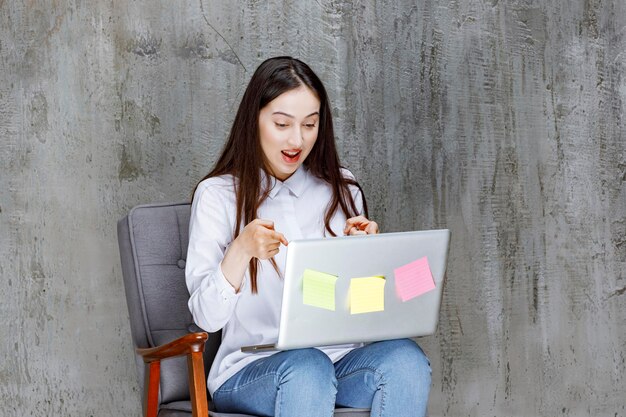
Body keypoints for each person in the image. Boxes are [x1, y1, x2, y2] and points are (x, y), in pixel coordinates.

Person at [185, 56, 431, 417]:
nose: (296, 140)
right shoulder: (218, 196)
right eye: (282, 124)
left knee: (405, 360)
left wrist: (370, 260)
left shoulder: (341, 189)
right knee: (307, 368)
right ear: (254, 120)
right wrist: (240, 251)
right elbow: (206, 318)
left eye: (309, 125)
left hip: (340, 362)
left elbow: (360, 308)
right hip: (253, 371)